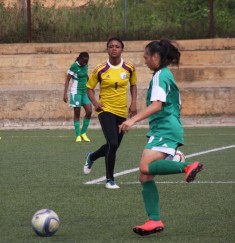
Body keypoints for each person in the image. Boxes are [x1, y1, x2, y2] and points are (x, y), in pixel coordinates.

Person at [119, 39, 204, 236]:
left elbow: (157, 105)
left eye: (146, 57)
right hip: (165, 128)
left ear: (156, 57)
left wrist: (132, 120)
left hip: (164, 129)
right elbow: (177, 105)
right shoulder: (167, 75)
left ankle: (185, 165)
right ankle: (154, 220)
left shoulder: (159, 76)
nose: (145, 60)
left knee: (144, 167)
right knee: (145, 176)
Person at [83, 37, 137, 189]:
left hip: (122, 111)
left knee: (113, 146)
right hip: (105, 110)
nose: (114, 49)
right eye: (111, 46)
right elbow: (89, 88)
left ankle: (92, 156)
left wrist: (133, 103)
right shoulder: (100, 69)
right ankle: (110, 180)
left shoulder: (129, 68)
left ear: (122, 49)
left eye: (117, 46)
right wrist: (95, 103)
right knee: (112, 143)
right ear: (107, 49)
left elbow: (133, 85)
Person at [63, 52, 92, 142]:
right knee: (77, 112)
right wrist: (65, 94)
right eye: (83, 61)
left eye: (86, 62)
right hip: (76, 92)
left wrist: (91, 88)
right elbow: (68, 79)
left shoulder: (86, 65)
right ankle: (78, 135)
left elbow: (87, 76)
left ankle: (83, 133)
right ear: (79, 59)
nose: (85, 63)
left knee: (89, 111)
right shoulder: (74, 67)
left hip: (85, 92)